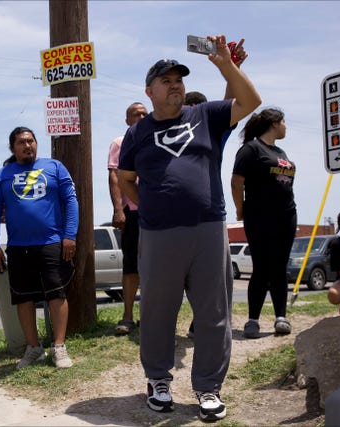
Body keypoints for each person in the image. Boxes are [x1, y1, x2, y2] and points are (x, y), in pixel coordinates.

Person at [118, 35, 261, 421]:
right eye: (166, 80)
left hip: (208, 229)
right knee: (158, 312)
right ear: (150, 91)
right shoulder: (137, 133)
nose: (175, 84)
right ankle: (159, 381)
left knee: (214, 314)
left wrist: (226, 65)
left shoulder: (205, 116)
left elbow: (251, 103)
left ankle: (208, 388)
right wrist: (148, 203)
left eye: (178, 78)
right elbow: (126, 177)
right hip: (159, 233)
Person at [0, 126, 79, 369]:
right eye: (21, 142)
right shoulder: (2, 175)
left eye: (30, 141)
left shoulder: (55, 167)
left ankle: (59, 348)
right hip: (18, 247)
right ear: (12, 148)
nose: (27, 145)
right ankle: (34, 348)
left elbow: (70, 200)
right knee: (23, 299)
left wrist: (69, 236)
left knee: (57, 294)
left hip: (52, 242)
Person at [231, 107, 296, 339]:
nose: (286, 126)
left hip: (286, 217)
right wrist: (241, 209)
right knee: (261, 268)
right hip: (260, 216)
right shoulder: (250, 149)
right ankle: (253, 321)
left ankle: (281, 317)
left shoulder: (280, 151)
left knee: (279, 267)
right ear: (274, 123)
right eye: (284, 121)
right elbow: (236, 182)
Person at [107, 102, 148, 335]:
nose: (141, 117)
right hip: (132, 212)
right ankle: (127, 316)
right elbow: (114, 177)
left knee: (155, 267)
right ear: (127, 120)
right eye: (136, 114)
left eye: (144, 113)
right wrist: (118, 209)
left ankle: (151, 315)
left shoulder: (157, 140)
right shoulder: (120, 143)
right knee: (131, 265)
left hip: (157, 212)